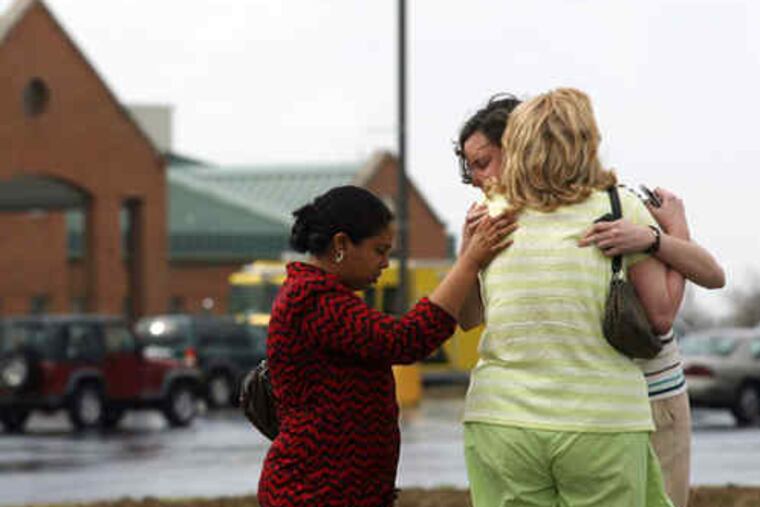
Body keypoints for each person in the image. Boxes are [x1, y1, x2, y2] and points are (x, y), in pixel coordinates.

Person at [455, 94, 724, 507]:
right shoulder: (616, 208)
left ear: (520, 145)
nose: (476, 177)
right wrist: (665, 235)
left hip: (503, 419)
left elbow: (470, 317)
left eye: (483, 162)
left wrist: (468, 255)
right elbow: (662, 314)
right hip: (604, 417)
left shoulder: (492, 216)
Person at [256, 185, 517, 507]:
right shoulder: (311, 299)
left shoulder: (320, 294)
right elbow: (405, 341)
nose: (384, 263)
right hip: (313, 492)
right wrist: (470, 262)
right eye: (379, 251)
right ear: (341, 244)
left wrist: (466, 257)